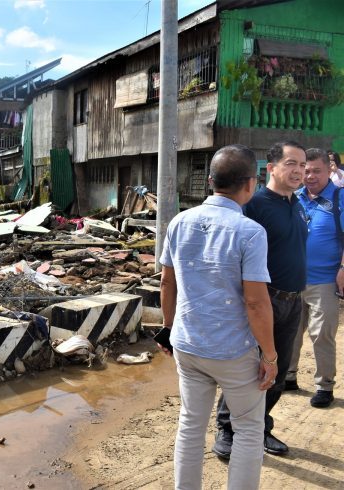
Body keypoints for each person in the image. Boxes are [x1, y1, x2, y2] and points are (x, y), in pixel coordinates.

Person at [160, 144, 277, 490]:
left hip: (187, 344)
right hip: (232, 351)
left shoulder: (179, 222)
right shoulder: (250, 232)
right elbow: (256, 303)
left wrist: (167, 328)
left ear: (210, 181)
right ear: (251, 184)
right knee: (248, 428)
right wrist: (270, 356)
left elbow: (167, 282)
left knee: (190, 425)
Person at [212, 141, 308, 459]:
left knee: (277, 371)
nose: (299, 171)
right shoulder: (254, 204)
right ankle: (227, 430)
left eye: (302, 165)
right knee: (248, 370)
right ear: (271, 168)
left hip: (293, 301)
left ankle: (261, 427)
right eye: (291, 163)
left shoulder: (298, 204)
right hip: (263, 301)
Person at [286, 148, 343, 408]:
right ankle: (288, 376)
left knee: (322, 335)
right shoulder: (293, 198)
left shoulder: (340, 198)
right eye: (306, 171)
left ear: (329, 170)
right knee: (291, 332)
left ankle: (324, 386)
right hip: (293, 280)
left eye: (316, 171)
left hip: (325, 281)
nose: (310, 176)